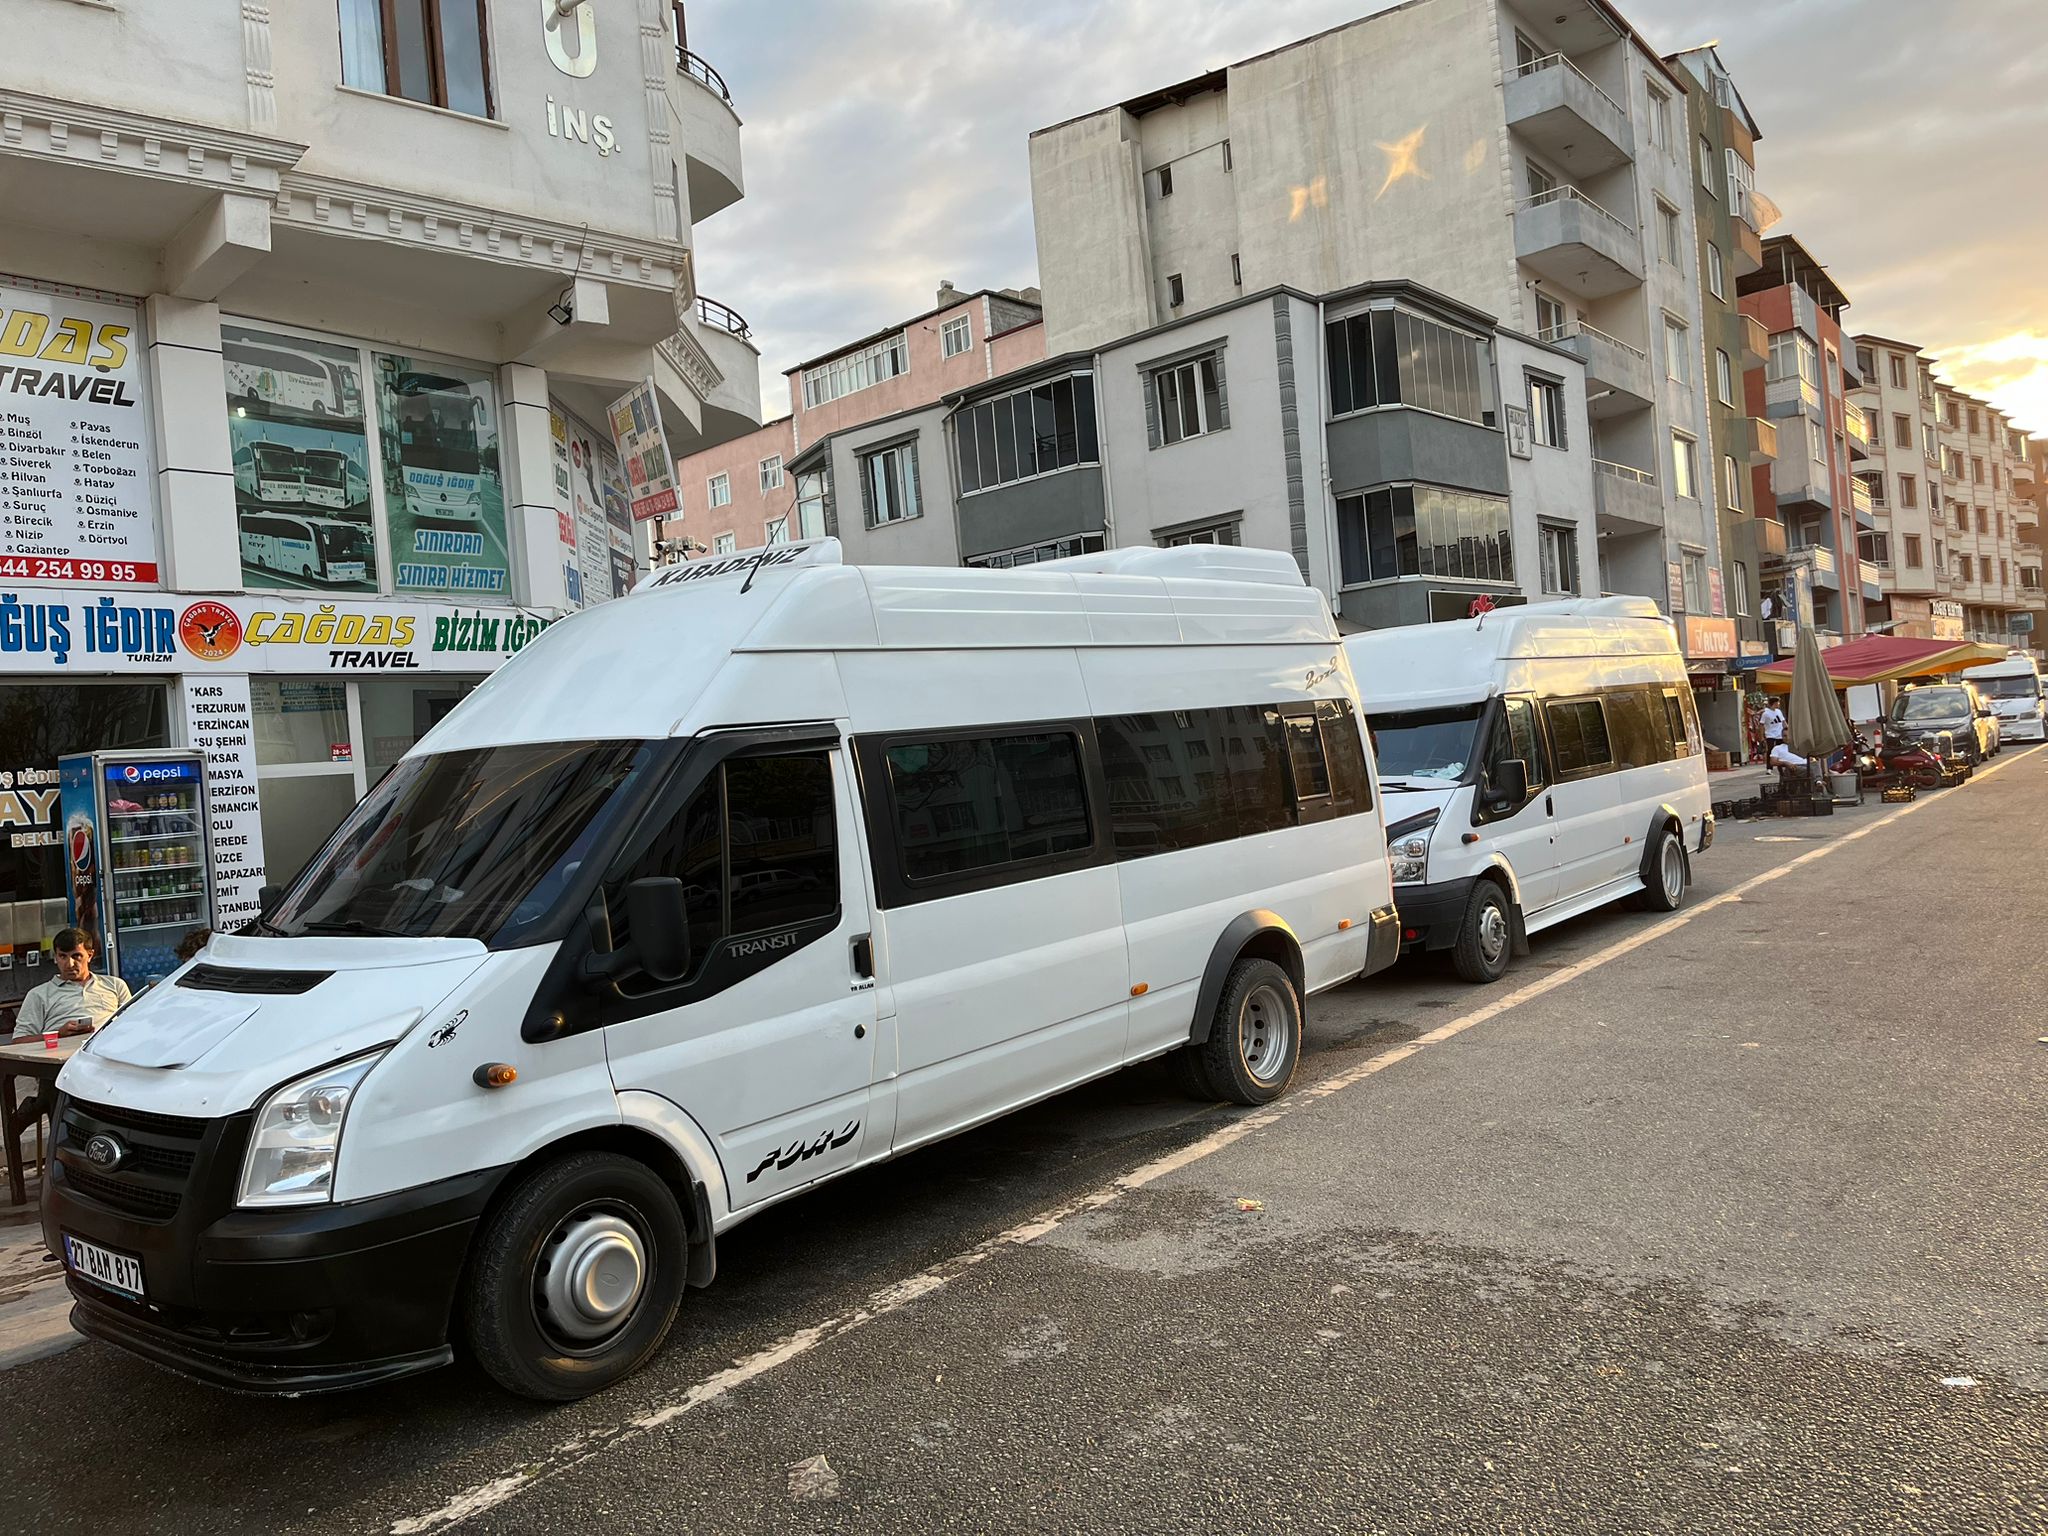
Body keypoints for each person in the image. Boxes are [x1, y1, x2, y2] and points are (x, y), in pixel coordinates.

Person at [9, 928, 133, 1128]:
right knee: (60, 1084)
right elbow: (19, 1042)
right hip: (62, 1066)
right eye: (63, 956)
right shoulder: (39, 995)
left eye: (76, 956)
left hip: (107, 1059)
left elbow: (133, 1027)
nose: (70, 964)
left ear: (90, 955)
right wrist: (59, 1034)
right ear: (55, 957)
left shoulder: (114, 986)